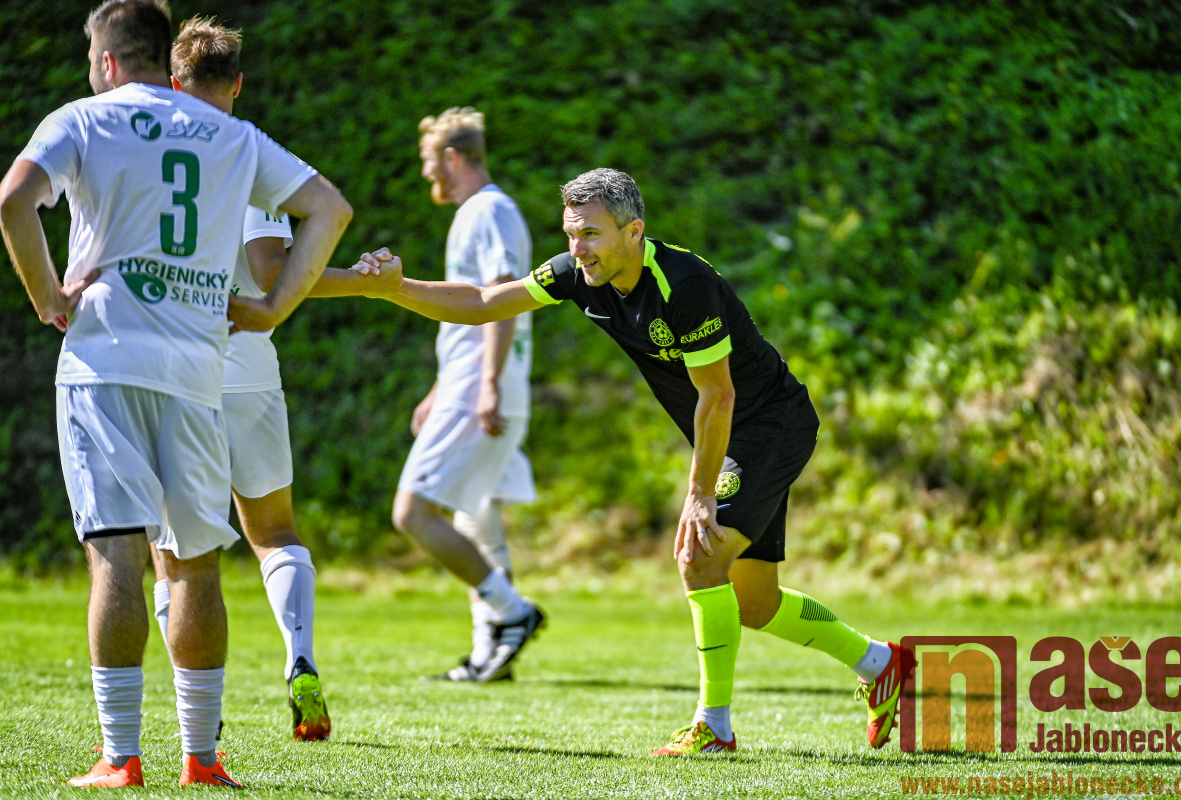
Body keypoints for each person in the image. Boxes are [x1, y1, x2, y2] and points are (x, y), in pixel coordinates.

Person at [352, 168, 916, 755]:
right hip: (730, 431)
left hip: (770, 424)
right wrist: (395, 288)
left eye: (591, 234)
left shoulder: (685, 285)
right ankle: (881, 664)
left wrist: (700, 494)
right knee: (754, 603)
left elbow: (718, 396)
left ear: (634, 231)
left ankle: (714, 727)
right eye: (572, 233)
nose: (578, 249)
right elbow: (483, 302)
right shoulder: (577, 275)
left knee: (698, 557)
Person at [0, 0, 351, 787]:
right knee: (195, 564)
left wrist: (49, 298)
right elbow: (330, 209)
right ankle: (202, 758)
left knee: (117, 558)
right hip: (197, 369)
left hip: (106, 361)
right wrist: (272, 308)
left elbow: (13, 200)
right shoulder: (230, 134)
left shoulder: (83, 118)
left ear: (108, 61)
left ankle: (122, 757)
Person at [148, 16, 391, 744]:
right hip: (248, 363)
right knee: (275, 531)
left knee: (173, 553)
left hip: (169, 370)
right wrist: (363, 280)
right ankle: (300, 658)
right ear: (238, 86)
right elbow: (271, 272)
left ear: (173, 84)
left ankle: (199, 707)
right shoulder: (251, 152)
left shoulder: (143, 152)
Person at [401, 108, 537, 682]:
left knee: (412, 513)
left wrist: (486, 383)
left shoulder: (491, 210)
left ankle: (514, 612)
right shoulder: (474, 212)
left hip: (482, 386)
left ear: (452, 158)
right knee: (476, 520)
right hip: (466, 382)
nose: (427, 173)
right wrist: (440, 387)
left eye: (429, 161)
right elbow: (469, 314)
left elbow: (503, 296)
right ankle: (489, 654)